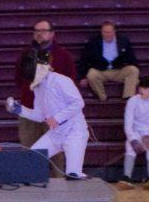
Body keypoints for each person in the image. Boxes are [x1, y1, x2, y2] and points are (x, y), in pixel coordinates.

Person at [5, 48, 89, 179]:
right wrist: (18, 109)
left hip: (74, 133)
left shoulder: (61, 81)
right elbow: (39, 116)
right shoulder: (38, 88)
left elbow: (78, 103)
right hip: (55, 134)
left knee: (73, 175)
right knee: (33, 157)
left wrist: (57, 118)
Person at [15, 20, 77, 148]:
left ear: (52, 34)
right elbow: (18, 79)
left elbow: (70, 81)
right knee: (29, 150)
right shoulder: (25, 55)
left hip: (54, 113)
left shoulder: (63, 56)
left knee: (55, 154)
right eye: (37, 31)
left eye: (43, 31)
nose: (39, 34)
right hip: (30, 110)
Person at [78, 21, 140, 101]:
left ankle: (128, 98)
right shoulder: (94, 42)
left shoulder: (123, 41)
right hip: (101, 70)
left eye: (109, 32)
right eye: (105, 32)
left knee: (133, 70)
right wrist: (83, 76)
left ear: (114, 32)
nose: (107, 34)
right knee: (91, 74)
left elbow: (131, 58)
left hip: (118, 70)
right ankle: (103, 98)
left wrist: (136, 78)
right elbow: (84, 59)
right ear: (101, 32)